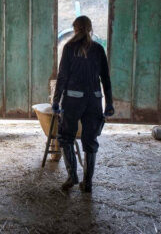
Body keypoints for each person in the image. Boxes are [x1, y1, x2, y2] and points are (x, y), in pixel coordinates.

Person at [52, 15, 114, 193]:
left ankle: (72, 177)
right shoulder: (98, 49)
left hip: (73, 100)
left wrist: (56, 101)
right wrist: (109, 103)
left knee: (65, 137)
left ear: (75, 29)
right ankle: (88, 183)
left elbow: (62, 76)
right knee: (90, 140)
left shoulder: (69, 48)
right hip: (94, 100)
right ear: (90, 29)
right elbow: (106, 79)